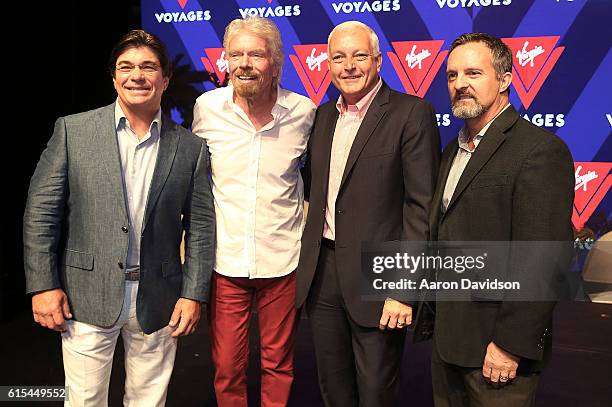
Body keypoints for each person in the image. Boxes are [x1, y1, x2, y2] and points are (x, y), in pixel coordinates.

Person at [23, 29, 215, 406]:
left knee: (148, 401)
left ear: (165, 78)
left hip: (159, 299)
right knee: (84, 401)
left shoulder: (191, 148)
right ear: (114, 77)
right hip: (85, 297)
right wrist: (42, 285)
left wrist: (194, 293)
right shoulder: (73, 131)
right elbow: (40, 214)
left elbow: (202, 230)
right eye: (126, 67)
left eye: (148, 66)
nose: (137, 75)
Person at [419, 32, 574, 407]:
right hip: (448, 345)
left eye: (473, 73)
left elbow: (543, 259)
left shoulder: (539, 150)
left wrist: (509, 344)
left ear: (504, 80)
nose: (460, 84)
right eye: (452, 76)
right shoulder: (450, 151)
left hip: (499, 352)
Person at [296, 21, 441, 406]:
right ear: (327, 64)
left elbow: (421, 208)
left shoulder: (412, 113)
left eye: (359, 55)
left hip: (380, 277)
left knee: (376, 392)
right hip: (322, 275)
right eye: (338, 57)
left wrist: (403, 289)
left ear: (378, 61)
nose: (348, 66)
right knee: (333, 389)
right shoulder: (321, 117)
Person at [191, 16, 315, 407]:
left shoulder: (304, 112)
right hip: (225, 263)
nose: (244, 62)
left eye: (256, 54)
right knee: (227, 367)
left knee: (279, 364)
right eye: (236, 54)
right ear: (226, 60)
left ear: (275, 63)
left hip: (283, 261)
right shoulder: (206, 109)